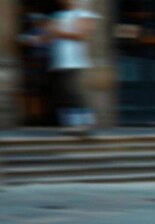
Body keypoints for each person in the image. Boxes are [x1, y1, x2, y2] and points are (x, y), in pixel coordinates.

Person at [48, 0, 98, 131]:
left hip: (73, 60)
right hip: (59, 60)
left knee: (72, 90)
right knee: (63, 91)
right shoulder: (58, 16)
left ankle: (85, 121)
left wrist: (59, 32)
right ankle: (69, 122)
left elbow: (82, 35)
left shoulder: (83, 14)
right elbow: (48, 34)